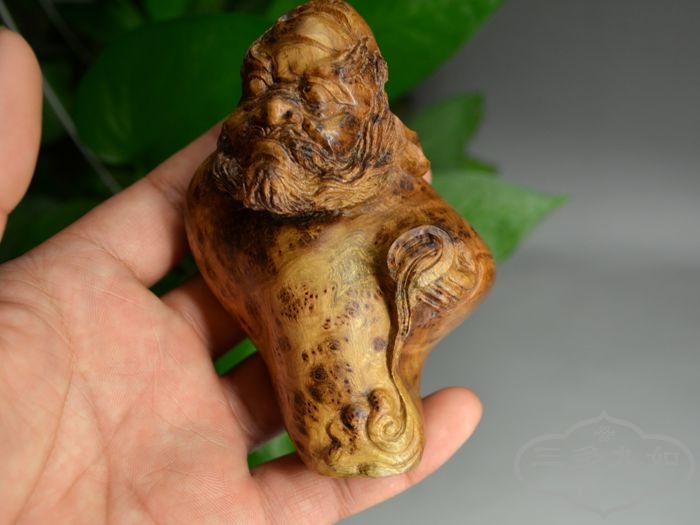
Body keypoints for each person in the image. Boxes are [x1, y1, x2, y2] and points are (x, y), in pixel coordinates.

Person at [0, 27, 482, 523]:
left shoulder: (393, 197)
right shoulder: (216, 198)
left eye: (313, 97)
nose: (273, 110)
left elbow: (465, 265)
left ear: (367, 111)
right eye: (258, 87)